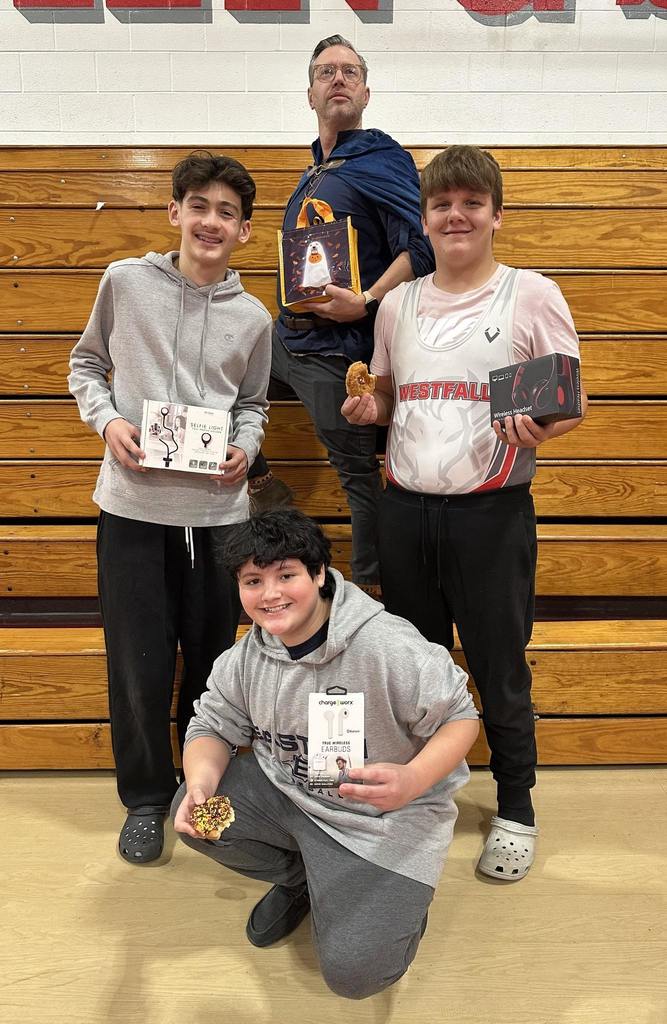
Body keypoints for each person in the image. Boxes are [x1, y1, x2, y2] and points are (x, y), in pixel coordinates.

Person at [342, 145, 588, 882]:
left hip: (491, 515)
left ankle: (515, 805)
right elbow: (385, 395)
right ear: (423, 219)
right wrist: (367, 405)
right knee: (414, 669)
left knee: (496, 666)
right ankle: (424, 795)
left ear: (494, 216)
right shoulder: (398, 303)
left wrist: (540, 428)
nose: (455, 215)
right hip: (406, 512)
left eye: (470, 204)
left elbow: (569, 402)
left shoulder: (530, 294)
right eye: (441, 205)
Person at [172, 509, 479, 999]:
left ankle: (391, 904)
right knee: (193, 811)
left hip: (383, 818)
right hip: (290, 792)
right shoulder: (245, 656)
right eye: (253, 581)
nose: (270, 594)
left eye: (286, 575)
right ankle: (304, 881)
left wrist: (414, 779)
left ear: (319, 574)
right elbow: (211, 724)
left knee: (355, 976)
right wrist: (202, 784)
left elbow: (460, 717)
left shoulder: (386, 646)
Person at [68, 151, 272, 864]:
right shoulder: (124, 282)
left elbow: (251, 405)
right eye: (200, 206)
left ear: (243, 232)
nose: (211, 221)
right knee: (136, 663)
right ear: (174, 212)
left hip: (217, 517)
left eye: (227, 212)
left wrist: (245, 446)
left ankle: (202, 791)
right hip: (131, 508)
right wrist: (108, 422)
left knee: (214, 666)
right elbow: (85, 364)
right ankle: (147, 800)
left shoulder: (252, 315)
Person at [247, 34, 434, 591]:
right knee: (215, 366)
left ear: (366, 92)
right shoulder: (317, 169)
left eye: (349, 72)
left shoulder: (383, 158)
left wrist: (369, 300)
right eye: (326, 72)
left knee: (357, 475)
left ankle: (378, 591)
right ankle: (261, 486)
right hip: (288, 336)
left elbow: (419, 250)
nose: (338, 79)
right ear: (309, 95)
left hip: (337, 349)